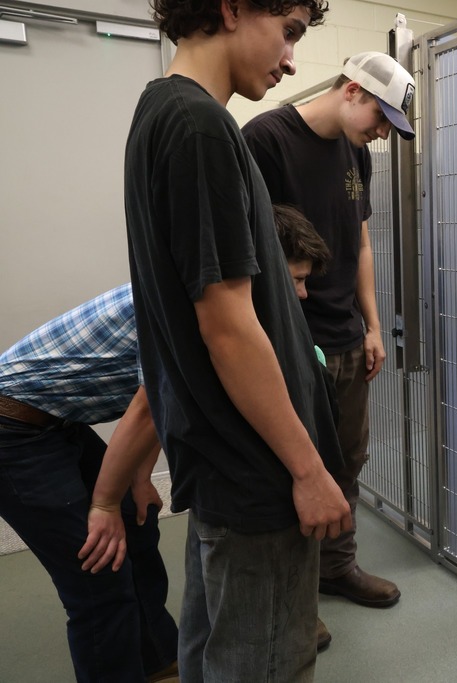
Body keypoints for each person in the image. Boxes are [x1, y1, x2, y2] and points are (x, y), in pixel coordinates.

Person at [123, 1, 349, 681]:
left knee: (211, 660)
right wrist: (308, 469)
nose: (290, 59)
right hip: (258, 478)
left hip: (232, 468)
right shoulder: (196, 125)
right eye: (288, 32)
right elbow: (226, 326)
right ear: (232, 8)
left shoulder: (166, 115)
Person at [242, 50, 416, 612]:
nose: (383, 134)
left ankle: (335, 570)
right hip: (288, 337)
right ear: (352, 91)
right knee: (293, 467)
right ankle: (291, 600)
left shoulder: (356, 154)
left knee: (346, 460)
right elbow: (249, 249)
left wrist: (371, 324)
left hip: (345, 334)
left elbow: (360, 244)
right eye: (380, 119)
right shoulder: (267, 140)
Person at [0, 289, 179, 683]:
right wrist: (104, 505)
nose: (304, 294)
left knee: (136, 524)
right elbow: (149, 406)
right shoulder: (183, 300)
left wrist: (139, 477)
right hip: (11, 429)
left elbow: (159, 395)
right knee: (97, 571)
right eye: (298, 279)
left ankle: (157, 660)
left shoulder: (187, 287)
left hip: (54, 420)